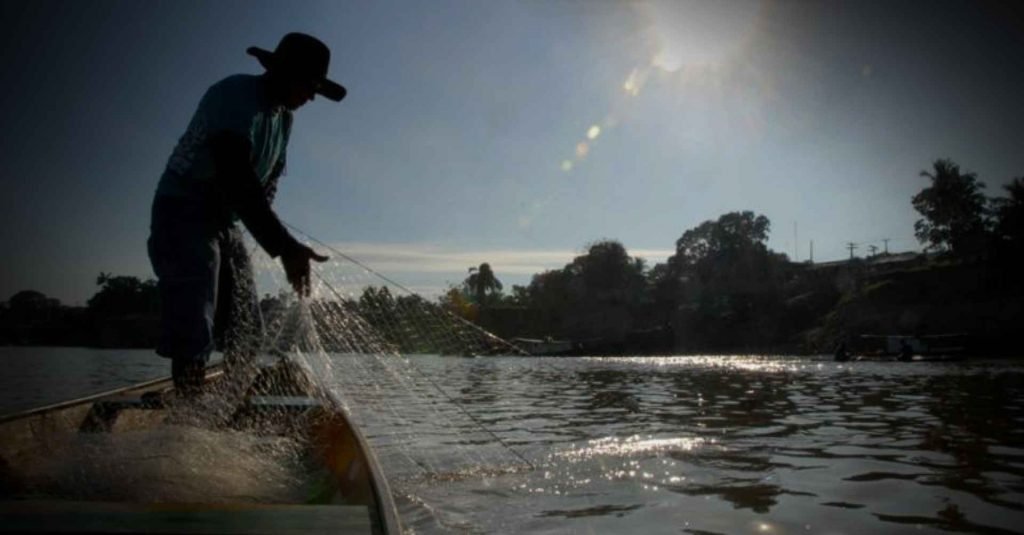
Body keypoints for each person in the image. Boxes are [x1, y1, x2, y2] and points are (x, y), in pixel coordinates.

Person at [148, 33, 344, 396]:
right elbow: (236, 176)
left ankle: (230, 404)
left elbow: (263, 188)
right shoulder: (236, 95)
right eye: (308, 84)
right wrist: (284, 246)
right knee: (195, 318)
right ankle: (188, 417)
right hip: (183, 209)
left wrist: (276, 239)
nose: (312, 96)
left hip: (226, 221)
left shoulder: (284, 120)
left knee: (247, 329)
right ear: (282, 72)